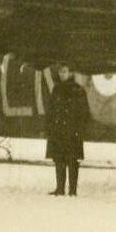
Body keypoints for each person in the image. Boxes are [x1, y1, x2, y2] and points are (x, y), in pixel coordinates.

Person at [45, 63, 89, 196]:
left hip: (72, 131)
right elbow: (51, 111)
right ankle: (59, 188)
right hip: (58, 131)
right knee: (59, 159)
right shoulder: (56, 89)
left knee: (72, 160)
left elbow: (84, 113)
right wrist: (49, 128)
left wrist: (80, 130)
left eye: (65, 71)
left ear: (71, 73)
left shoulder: (78, 90)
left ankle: (72, 190)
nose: (62, 74)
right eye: (60, 72)